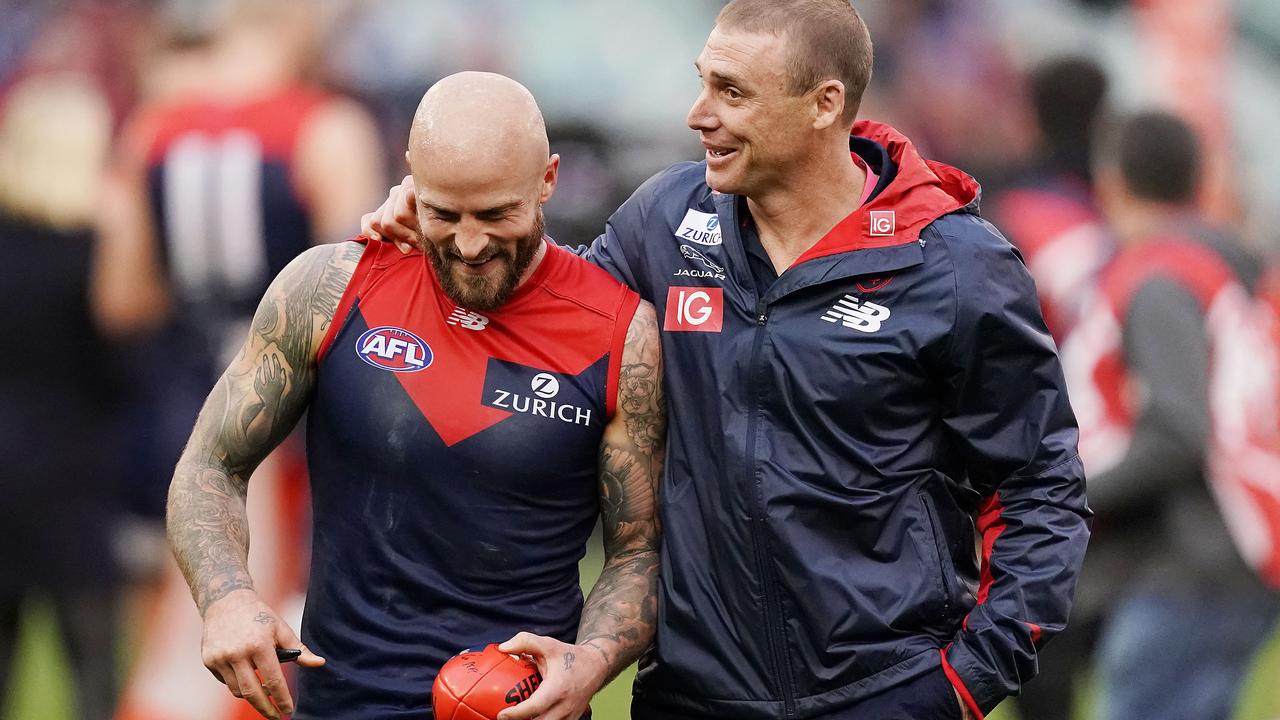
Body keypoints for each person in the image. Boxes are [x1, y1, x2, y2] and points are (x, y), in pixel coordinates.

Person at [365, 2, 1090, 718]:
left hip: (882, 692)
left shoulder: (955, 266)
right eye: (703, 81)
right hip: (692, 695)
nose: (697, 113)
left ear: (823, 104)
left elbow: (1040, 488)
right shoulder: (662, 223)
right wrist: (443, 221)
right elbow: (539, 314)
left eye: (731, 93)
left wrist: (963, 684)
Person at [166, 72, 664, 720]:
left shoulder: (619, 335)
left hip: (519, 709)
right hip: (338, 704)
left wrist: (591, 661)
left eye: (496, 214)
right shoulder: (328, 289)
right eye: (444, 213)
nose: (469, 243)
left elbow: (638, 551)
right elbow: (210, 465)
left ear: (548, 180)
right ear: (411, 179)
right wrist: (227, 597)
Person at [1063, 110, 1279, 720]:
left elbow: (1180, 429)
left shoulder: (1162, 276)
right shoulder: (1226, 266)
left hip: (1201, 558)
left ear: (1112, 180)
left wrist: (1064, 495)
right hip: (1239, 547)